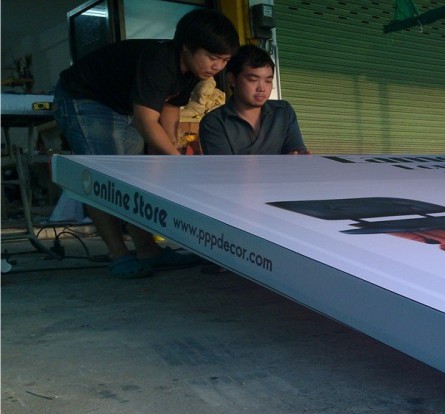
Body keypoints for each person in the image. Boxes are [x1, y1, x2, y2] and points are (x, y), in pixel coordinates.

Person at [53, 9, 240, 278]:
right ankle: (118, 254)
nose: (218, 67)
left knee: (134, 178)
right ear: (186, 47)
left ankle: (148, 250)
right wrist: (177, 161)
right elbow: (145, 120)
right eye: (212, 58)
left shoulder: (191, 72)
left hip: (121, 106)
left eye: (225, 60)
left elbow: (170, 107)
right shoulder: (159, 61)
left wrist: (168, 150)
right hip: (84, 98)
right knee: (103, 178)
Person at [199, 44, 309, 155]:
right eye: (253, 79)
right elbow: (226, 165)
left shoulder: (283, 111)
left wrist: (300, 156)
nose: (262, 88)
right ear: (232, 79)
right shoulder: (214, 122)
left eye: (268, 81)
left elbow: (297, 154)